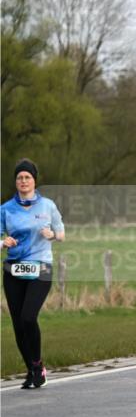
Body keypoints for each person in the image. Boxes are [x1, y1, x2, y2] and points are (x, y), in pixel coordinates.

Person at [1, 159, 65, 389]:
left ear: (34, 180)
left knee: (29, 317)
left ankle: (38, 366)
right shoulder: (5, 209)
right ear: (15, 182)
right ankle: (31, 372)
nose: (23, 181)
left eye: (27, 177)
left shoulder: (47, 205)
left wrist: (52, 234)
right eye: (19, 177)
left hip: (41, 267)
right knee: (18, 324)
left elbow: (62, 233)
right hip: (13, 270)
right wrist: (3, 242)